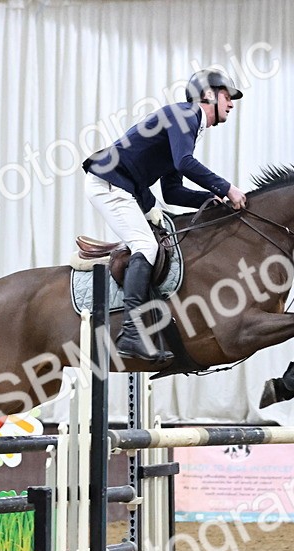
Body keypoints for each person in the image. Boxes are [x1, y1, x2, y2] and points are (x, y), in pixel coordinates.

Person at [82, 69, 248, 364]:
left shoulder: (185, 122)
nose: (231, 104)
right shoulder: (186, 115)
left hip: (122, 185)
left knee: (151, 243)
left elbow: (172, 192)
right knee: (146, 246)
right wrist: (227, 187)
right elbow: (184, 163)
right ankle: (132, 333)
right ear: (208, 96)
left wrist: (213, 199)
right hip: (109, 183)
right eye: (227, 96)